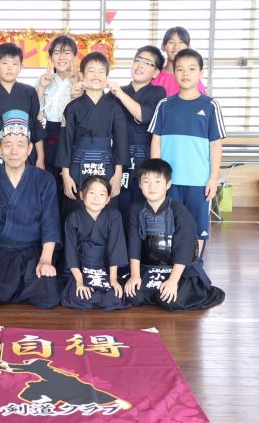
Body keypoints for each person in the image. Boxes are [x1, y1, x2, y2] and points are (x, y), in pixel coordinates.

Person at [0, 110, 62, 309]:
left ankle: (14, 289)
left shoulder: (44, 180)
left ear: (29, 149)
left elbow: (50, 223)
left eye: (20, 145)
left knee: (49, 297)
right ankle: (18, 289)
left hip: (32, 253)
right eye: (8, 145)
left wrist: (45, 260)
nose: (14, 151)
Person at [149, 48, 225, 253]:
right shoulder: (164, 105)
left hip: (199, 181)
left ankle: (195, 264)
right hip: (169, 181)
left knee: (198, 227)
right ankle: (171, 264)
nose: (185, 73)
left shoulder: (210, 106)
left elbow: (216, 145)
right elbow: (156, 141)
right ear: (174, 73)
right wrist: (157, 177)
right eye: (180, 69)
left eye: (191, 69)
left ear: (201, 73)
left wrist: (213, 178)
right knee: (168, 225)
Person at [124, 159, 225, 311]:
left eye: (158, 181)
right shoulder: (135, 209)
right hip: (149, 267)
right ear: (139, 184)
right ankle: (155, 292)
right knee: (133, 296)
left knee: (171, 301)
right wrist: (135, 275)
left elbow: (184, 249)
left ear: (168, 184)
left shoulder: (180, 212)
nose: (151, 186)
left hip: (178, 270)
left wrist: (173, 281)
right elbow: (134, 243)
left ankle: (176, 290)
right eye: (146, 181)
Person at [55, 51, 129, 219]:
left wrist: (118, 174)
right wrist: (66, 176)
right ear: (82, 75)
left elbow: (121, 142)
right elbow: (65, 142)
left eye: (101, 71)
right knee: (75, 207)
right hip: (77, 165)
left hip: (106, 164)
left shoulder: (115, 107)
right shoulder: (72, 107)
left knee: (106, 210)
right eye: (91, 70)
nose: (96, 75)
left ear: (107, 77)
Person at [108, 46, 166, 226]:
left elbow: (143, 115)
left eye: (147, 63)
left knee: (142, 208)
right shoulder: (116, 92)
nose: (139, 65)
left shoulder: (158, 93)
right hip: (119, 158)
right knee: (119, 207)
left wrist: (120, 94)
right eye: (137, 60)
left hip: (143, 158)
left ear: (156, 72)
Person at [0, 43, 46, 173]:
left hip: (25, 153)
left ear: (21, 67)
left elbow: (36, 127)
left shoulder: (29, 92)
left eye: (14, 63)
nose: (9, 68)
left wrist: (40, 158)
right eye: (5, 63)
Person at [61, 176, 127, 311]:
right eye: (91, 193)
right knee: (79, 297)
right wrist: (80, 281)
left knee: (114, 299)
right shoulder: (73, 218)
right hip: (81, 268)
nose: (96, 198)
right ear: (82, 195)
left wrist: (113, 279)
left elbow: (115, 248)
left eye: (102, 194)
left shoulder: (114, 216)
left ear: (108, 199)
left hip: (105, 269)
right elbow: (70, 252)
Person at [35, 35, 81, 180]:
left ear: (75, 56)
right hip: (49, 133)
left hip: (74, 134)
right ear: (50, 57)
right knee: (49, 176)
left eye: (67, 52)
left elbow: (84, 111)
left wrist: (76, 84)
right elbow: (35, 111)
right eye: (56, 53)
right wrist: (42, 87)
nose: (61, 57)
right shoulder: (44, 79)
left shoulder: (83, 79)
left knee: (72, 178)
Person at [152, 27, 206, 97]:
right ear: (163, 46)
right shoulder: (155, 77)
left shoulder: (193, 80)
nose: (176, 47)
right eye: (171, 42)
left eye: (181, 42)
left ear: (188, 47)